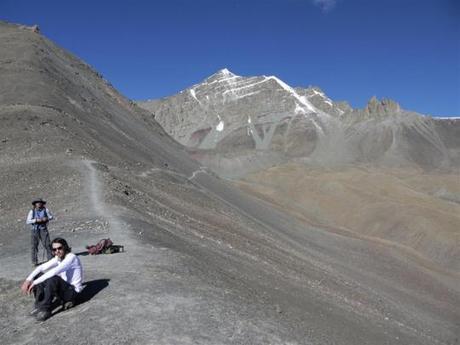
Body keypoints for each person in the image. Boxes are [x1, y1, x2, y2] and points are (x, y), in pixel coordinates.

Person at [20, 238, 83, 321]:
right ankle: (40, 305)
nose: (57, 251)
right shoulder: (58, 258)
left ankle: (45, 310)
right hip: (63, 289)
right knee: (39, 276)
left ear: (65, 247)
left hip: (72, 292)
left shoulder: (71, 257)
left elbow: (54, 271)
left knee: (53, 278)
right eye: (54, 249)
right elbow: (41, 267)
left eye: (60, 248)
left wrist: (34, 283)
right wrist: (28, 280)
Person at [26, 198, 54, 266]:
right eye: (37, 202)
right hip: (34, 230)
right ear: (35, 204)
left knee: (47, 244)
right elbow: (27, 221)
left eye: (40, 202)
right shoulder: (32, 211)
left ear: (42, 203)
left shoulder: (46, 210)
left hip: (43, 229)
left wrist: (46, 218)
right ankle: (34, 261)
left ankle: (50, 260)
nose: (39, 204)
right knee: (34, 246)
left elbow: (51, 217)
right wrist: (36, 220)